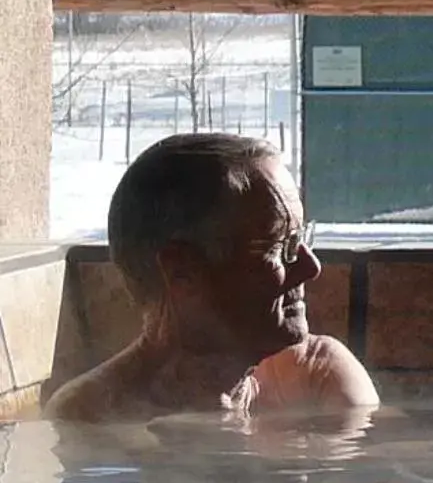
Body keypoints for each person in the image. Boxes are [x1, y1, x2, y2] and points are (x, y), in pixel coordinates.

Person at [46, 134, 377, 423]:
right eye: (280, 246)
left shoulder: (317, 377)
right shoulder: (92, 417)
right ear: (182, 273)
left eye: (302, 240)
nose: (310, 267)